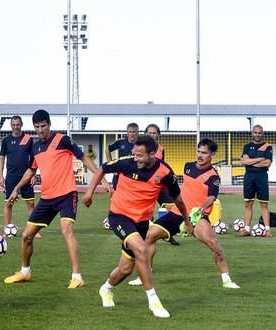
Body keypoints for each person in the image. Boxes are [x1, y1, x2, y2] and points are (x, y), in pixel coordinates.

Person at [83, 135, 191, 318]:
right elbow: (102, 168)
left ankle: (106, 288)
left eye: (140, 155)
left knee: (125, 269)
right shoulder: (126, 163)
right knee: (142, 249)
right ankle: (154, 302)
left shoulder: (165, 172)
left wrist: (187, 221)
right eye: (134, 154)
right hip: (119, 216)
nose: (135, 158)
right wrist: (89, 193)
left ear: (152, 154)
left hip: (140, 222)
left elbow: (178, 199)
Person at [4, 109, 109, 288]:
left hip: (67, 194)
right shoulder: (36, 147)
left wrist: (103, 180)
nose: (40, 130)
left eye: (43, 126)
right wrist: (16, 189)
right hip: (46, 198)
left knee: (66, 229)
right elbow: (31, 170)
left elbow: (84, 158)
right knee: (27, 236)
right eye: (37, 127)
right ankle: (25, 272)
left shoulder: (63, 139)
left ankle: (77, 276)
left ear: (50, 124)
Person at [127, 139, 240, 289]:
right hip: (177, 213)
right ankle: (144, 275)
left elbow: (212, 197)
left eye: (204, 153)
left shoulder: (214, 177)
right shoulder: (188, 167)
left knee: (215, 246)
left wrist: (201, 208)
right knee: (149, 236)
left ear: (212, 154)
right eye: (199, 151)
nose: (200, 155)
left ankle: (226, 280)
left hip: (196, 217)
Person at [0, 116, 38, 235]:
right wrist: (1, 176)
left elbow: (34, 158)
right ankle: (6, 230)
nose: (16, 127)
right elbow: (1, 158)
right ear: (11, 125)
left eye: (18, 124)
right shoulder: (6, 141)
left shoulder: (28, 139)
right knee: (9, 203)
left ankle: (33, 231)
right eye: (13, 125)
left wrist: (33, 174)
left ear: (22, 124)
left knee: (30, 203)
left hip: (26, 176)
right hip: (11, 176)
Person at [144, 123, 179, 246]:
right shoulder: (140, 147)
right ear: (145, 133)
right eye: (149, 132)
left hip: (159, 185)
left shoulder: (161, 148)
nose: (152, 135)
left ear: (158, 135)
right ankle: (144, 234)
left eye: (154, 133)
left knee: (173, 208)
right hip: (145, 186)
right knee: (145, 211)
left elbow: (161, 165)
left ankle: (167, 232)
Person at [239, 124, 273, 237]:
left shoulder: (268, 147)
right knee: (248, 204)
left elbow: (267, 163)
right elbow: (243, 162)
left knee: (264, 204)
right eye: (255, 132)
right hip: (249, 176)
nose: (257, 134)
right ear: (252, 133)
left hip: (262, 176)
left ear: (262, 134)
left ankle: (267, 230)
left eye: (259, 132)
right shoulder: (247, 146)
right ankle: (247, 229)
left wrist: (251, 161)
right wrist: (259, 159)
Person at [102, 123, 139, 229]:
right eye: (130, 132)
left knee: (134, 198)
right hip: (120, 176)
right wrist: (111, 165)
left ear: (138, 133)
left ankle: (134, 218)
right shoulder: (121, 142)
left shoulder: (141, 144)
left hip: (134, 176)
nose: (132, 134)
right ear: (127, 133)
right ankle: (110, 219)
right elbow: (107, 149)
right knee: (115, 197)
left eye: (134, 132)